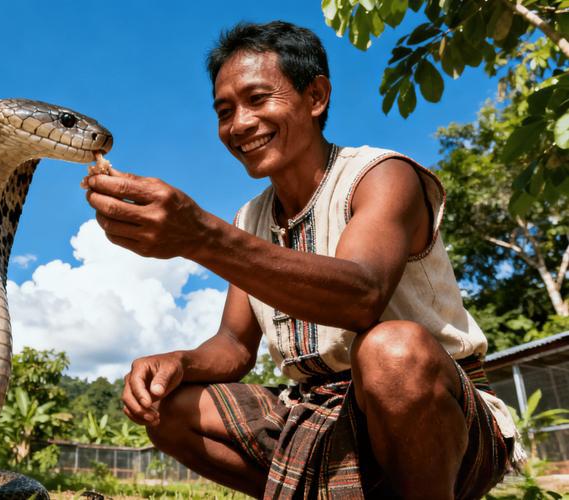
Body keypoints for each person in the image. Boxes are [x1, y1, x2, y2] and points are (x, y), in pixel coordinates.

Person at [83, 20, 522, 500]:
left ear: (316, 97)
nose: (240, 125)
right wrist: (177, 362)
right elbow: (233, 345)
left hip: (442, 420)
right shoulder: (249, 217)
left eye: (257, 100)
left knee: (391, 351)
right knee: (168, 408)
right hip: (314, 413)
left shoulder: (382, 176)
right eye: (224, 111)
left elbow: (361, 295)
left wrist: (200, 236)